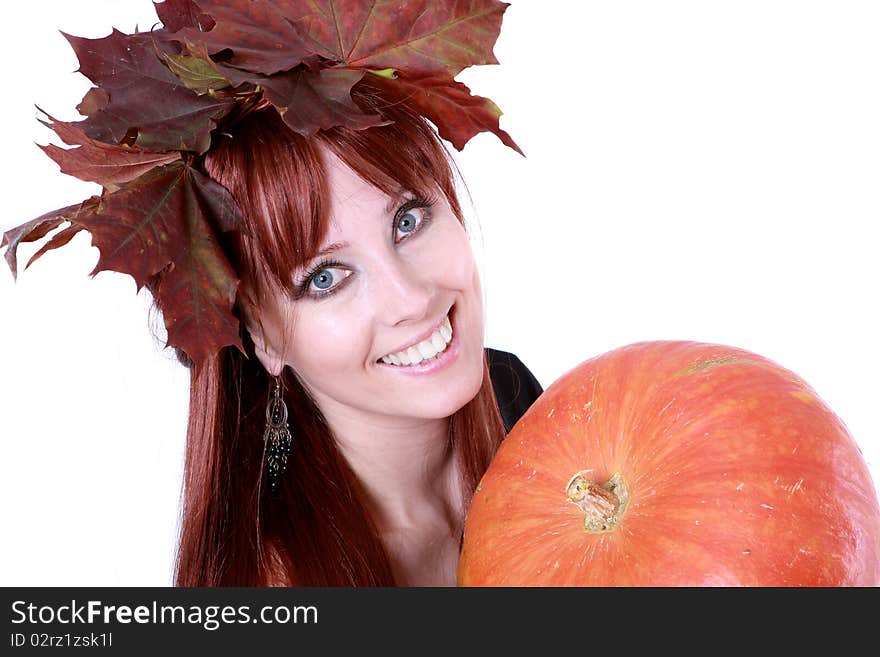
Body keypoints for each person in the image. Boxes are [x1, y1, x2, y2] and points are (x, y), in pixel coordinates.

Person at [1, 0, 543, 586]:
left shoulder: (518, 402)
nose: (410, 299)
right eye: (326, 279)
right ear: (258, 334)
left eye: (407, 221)